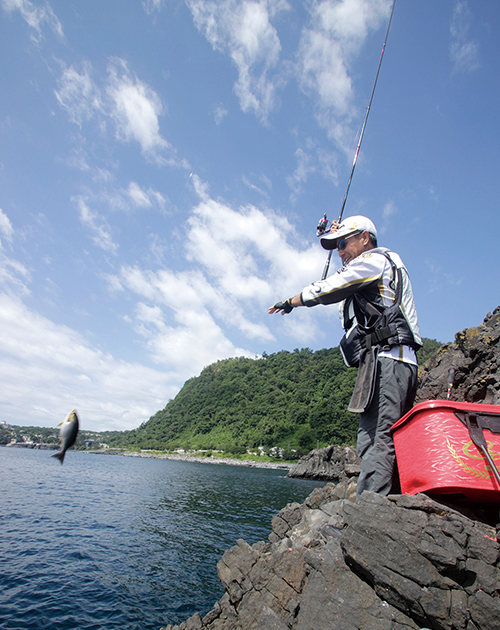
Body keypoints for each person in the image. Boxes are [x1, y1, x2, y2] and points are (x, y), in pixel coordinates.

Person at [269, 215, 422, 499]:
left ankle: (371, 514)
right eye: (335, 247)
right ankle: (386, 504)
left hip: (389, 361)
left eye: (343, 243)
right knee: (377, 437)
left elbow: (330, 289)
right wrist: (340, 240)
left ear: (365, 238)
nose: (340, 251)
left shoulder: (374, 262)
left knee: (377, 438)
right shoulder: (384, 263)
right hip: (388, 361)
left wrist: (291, 302)